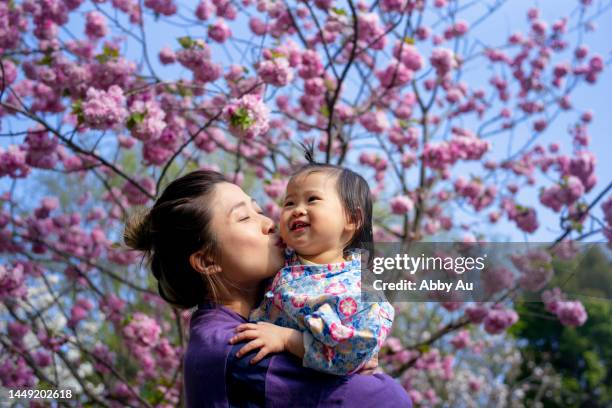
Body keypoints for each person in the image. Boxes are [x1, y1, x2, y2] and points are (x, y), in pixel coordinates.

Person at [124, 169, 411, 407]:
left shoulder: (267, 317)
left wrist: (346, 348)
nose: (268, 224)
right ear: (208, 260)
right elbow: (385, 400)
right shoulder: (238, 347)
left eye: (259, 210)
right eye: (245, 217)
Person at [233, 156, 394, 375]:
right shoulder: (279, 257)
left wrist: (286, 339)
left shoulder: (362, 293)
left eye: (312, 199)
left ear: (352, 219)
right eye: (289, 203)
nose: (297, 210)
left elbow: (349, 355)